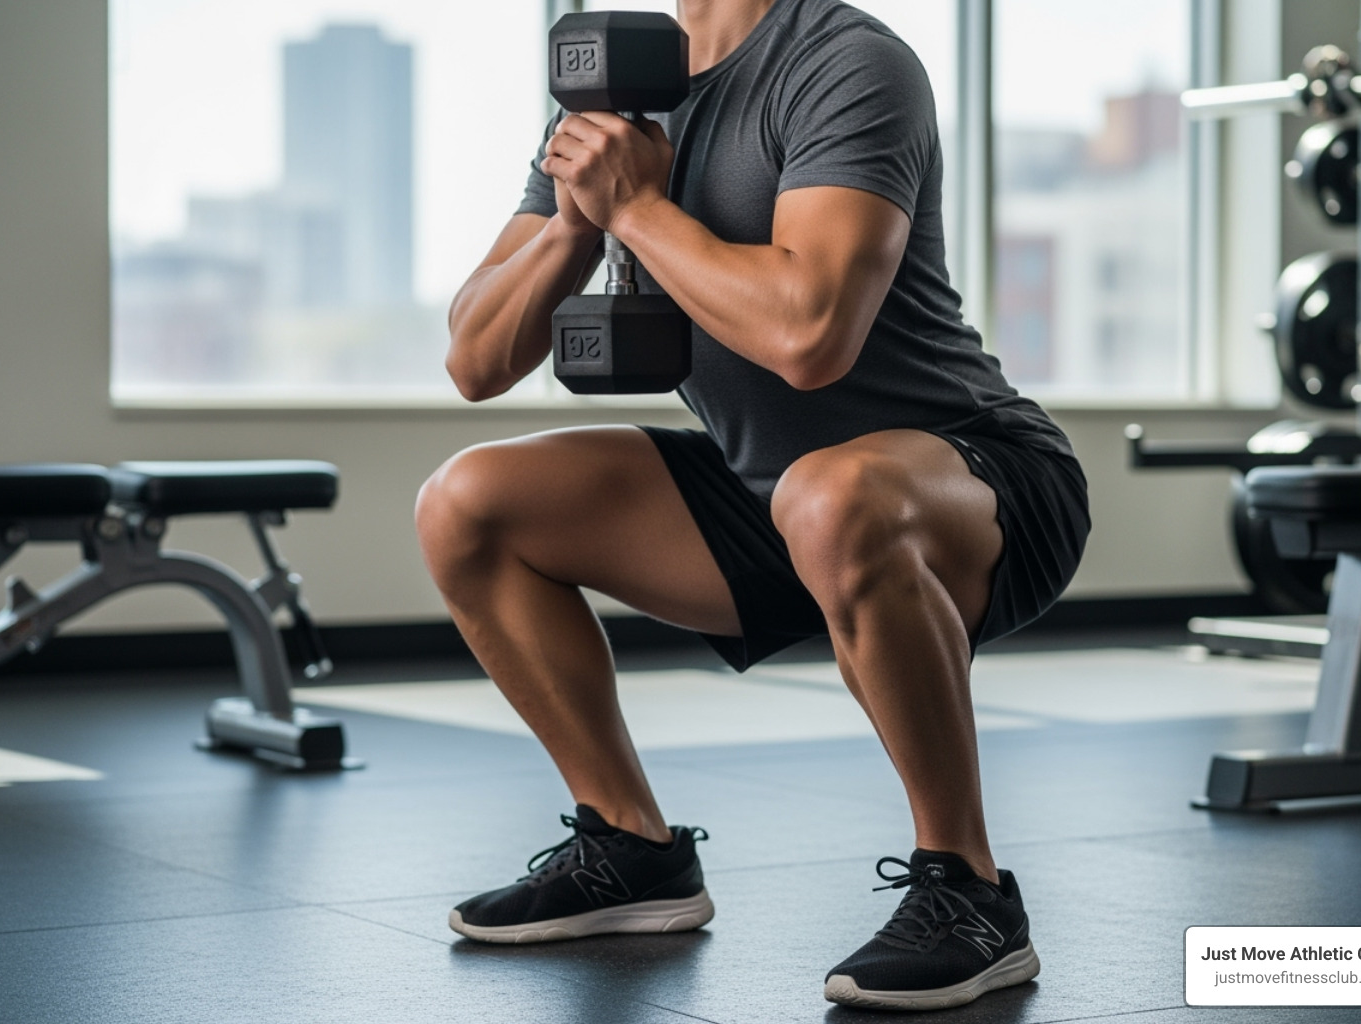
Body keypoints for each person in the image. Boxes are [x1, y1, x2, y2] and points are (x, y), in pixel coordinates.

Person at [415, 0, 1088, 1010]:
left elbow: (810, 334)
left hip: (978, 480)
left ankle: (970, 893)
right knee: (468, 502)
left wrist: (639, 210)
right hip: (771, 490)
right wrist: (575, 222)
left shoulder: (846, 62)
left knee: (834, 493)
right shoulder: (620, 91)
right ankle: (630, 849)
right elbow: (475, 358)